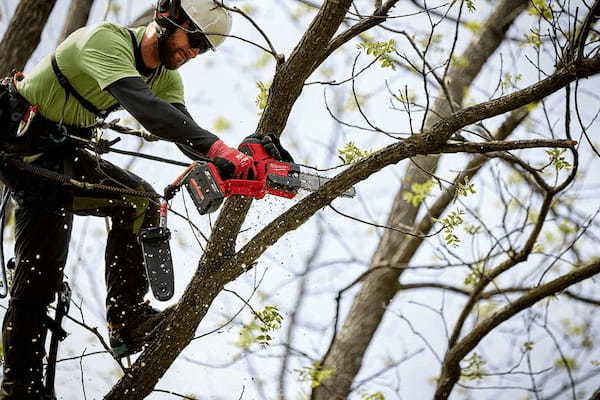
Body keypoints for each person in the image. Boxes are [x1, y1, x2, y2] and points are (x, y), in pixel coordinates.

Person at [0, 0, 259, 398]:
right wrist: (219, 149)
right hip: (21, 143)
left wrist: (238, 159)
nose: (193, 52)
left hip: (62, 155)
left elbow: (182, 129)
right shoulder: (106, 41)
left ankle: (128, 318)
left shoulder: (166, 79)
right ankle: (20, 386)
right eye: (194, 39)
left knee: (141, 201)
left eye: (203, 49)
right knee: (40, 275)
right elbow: (149, 110)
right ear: (169, 17)